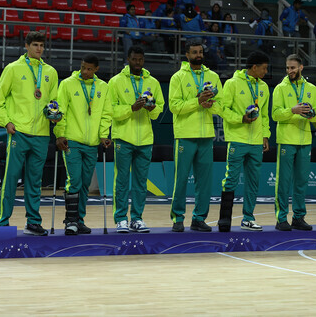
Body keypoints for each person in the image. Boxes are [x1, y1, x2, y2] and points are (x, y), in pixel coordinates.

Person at [0, 32, 60, 235]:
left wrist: (55, 114)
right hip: (18, 132)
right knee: (11, 178)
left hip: (41, 134)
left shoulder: (50, 72)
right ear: (27, 46)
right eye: (35, 45)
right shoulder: (13, 69)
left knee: (35, 181)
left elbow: (53, 101)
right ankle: (3, 222)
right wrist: (7, 122)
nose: (39, 48)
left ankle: (33, 222)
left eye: (42, 45)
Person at [54, 54, 113, 235]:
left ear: (96, 69)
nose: (85, 71)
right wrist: (60, 134)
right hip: (72, 140)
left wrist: (103, 135)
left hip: (92, 143)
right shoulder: (67, 84)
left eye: (89, 69)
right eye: (83, 67)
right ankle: (70, 221)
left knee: (85, 184)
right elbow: (60, 110)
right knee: (74, 181)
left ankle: (79, 220)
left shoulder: (103, 87)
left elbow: (106, 114)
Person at [108, 46, 163, 233]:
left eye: (140, 59)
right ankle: (121, 219)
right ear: (128, 59)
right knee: (122, 181)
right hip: (123, 138)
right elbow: (111, 111)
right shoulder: (115, 82)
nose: (137, 62)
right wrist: (131, 108)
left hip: (145, 139)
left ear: (143, 60)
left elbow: (159, 110)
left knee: (141, 182)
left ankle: (137, 219)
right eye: (134, 59)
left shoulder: (153, 82)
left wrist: (151, 109)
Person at [168, 40, 222, 232]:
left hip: (206, 135)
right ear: (187, 55)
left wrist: (210, 105)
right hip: (185, 135)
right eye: (194, 52)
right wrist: (197, 102)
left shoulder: (213, 76)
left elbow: (220, 105)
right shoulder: (178, 78)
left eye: (200, 52)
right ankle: (177, 218)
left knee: (204, 182)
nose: (198, 55)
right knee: (181, 180)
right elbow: (174, 107)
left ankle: (199, 218)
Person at [218, 51, 271, 232]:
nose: (265, 72)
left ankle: (248, 218)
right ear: (254, 67)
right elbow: (223, 109)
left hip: (256, 141)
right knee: (231, 179)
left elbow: (264, 114)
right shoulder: (232, 83)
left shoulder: (263, 86)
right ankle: (224, 219)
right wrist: (241, 118)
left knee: (253, 181)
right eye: (263, 68)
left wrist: (265, 135)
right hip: (237, 139)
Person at [272, 54, 316, 231]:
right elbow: (275, 114)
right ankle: (281, 218)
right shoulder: (280, 88)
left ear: (301, 67)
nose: (289, 71)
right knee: (284, 182)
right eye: (287, 68)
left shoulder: (312, 89)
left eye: (293, 67)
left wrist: (310, 113)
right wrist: (292, 110)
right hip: (286, 139)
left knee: (301, 182)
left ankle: (299, 217)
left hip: (305, 140)